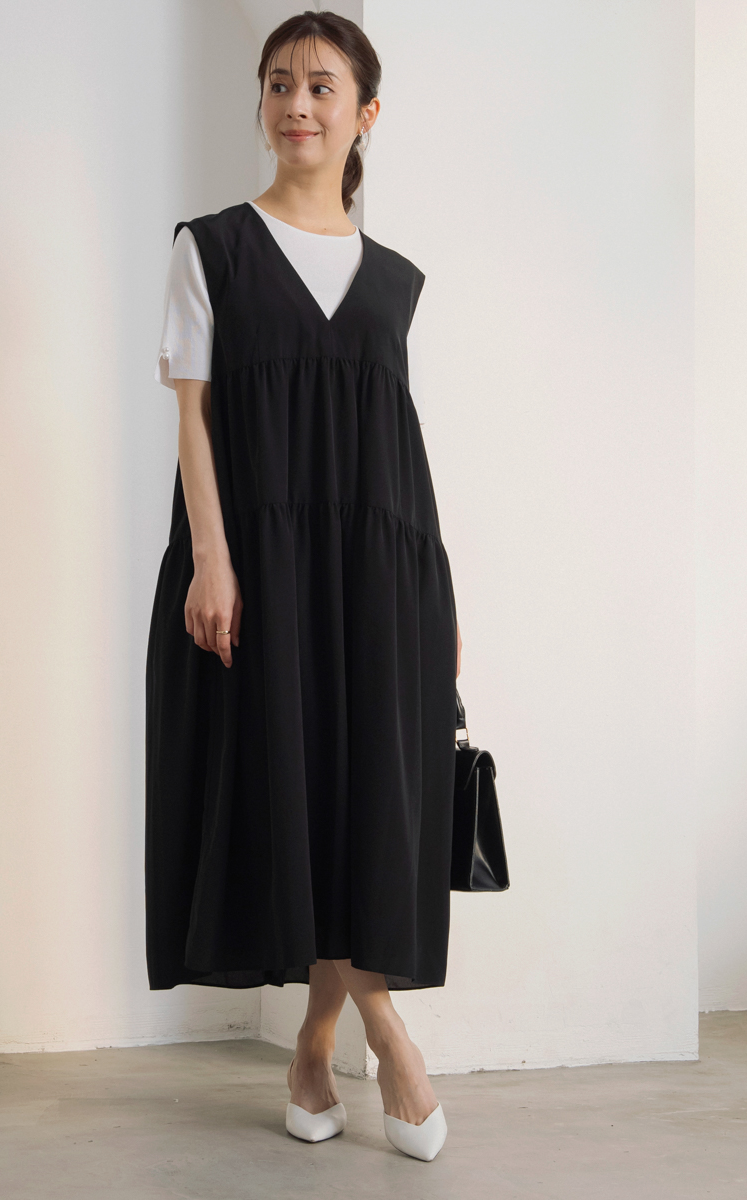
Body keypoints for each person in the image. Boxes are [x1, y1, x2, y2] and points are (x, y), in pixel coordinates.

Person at [145, 10, 460, 1163]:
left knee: (358, 808)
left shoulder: (396, 283)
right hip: (259, 566)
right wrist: (212, 556)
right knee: (298, 794)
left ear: (365, 113)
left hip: (383, 576)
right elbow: (193, 420)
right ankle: (393, 1039)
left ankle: (316, 1046)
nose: (297, 105)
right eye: (280, 84)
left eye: (323, 86)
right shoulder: (213, 250)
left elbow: (401, 457)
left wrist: (442, 599)